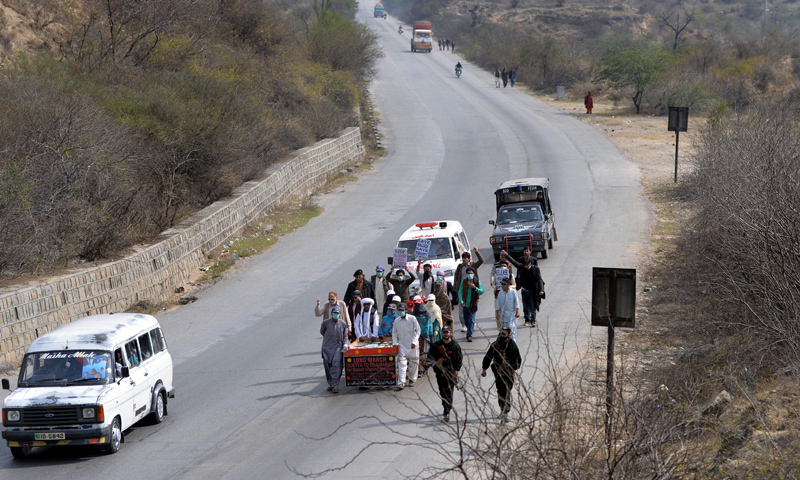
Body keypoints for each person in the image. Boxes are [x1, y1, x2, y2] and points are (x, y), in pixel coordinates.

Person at [481, 326, 522, 422]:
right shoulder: (495, 345)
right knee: (501, 391)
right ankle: (504, 411)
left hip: (509, 372)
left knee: (507, 390)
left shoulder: (512, 345)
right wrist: (484, 369)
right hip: (498, 372)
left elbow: (518, 358)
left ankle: (504, 411)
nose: (502, 334)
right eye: (501, 333)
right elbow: (488, 357)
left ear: (508, 335)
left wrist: (514, 367)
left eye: (504, 333)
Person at [427, 326, 463, 423]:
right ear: (442, 333)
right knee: (443, 392)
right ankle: (446, 408)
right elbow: (429, 358)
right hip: (440, 372)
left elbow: (459, 359)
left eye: (447, 332)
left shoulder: (455, 345)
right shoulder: (436, 345)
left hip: (451, 373)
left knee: (449, 392)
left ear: (450, 333)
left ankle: (447, 409)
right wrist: (437, 361)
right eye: (444, 332)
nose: (446, 334)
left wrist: (456, 370)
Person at [453, 248, 484, 333]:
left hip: (472, 290)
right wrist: (456, 288)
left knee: (472, 307)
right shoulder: (460, 267)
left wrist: (477, 252)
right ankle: (464, 325)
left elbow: (481, 260)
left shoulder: (473, 265)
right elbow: (456, 278)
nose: (464, 261)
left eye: (465, 259)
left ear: (469, 259)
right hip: (462, 290)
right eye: (463, 259)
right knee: (461, 309)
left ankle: (471, 322)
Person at [321, 306, 350, 393]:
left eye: (337, 313)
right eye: (334, 313)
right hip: (327, 347)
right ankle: (331, 384)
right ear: (331, 314)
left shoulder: (343, 324)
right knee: (328, 367)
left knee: (336, 365)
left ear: (339, 314)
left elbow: (345, 336)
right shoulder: (325, 323)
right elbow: (322, 332)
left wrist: (345, 344)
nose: (335, 315)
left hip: (338, 347)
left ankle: (335, 385)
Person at [392, 303, 420, 389]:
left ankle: (412, 379)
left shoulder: (412, 319)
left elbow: (418, 331)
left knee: (413, 364)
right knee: (402, 364)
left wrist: (414, 342)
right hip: (402, 345)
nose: (400, 312)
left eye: (402, 310)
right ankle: (401, 382)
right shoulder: (396, 321)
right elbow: (394, 332)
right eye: (399, 310)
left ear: (406, 310)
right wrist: (394, 343)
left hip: (412, 345)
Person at [516, 256, 545, 327]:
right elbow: (514, 263)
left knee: (533, 306)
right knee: (525, 306)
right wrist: (506, 255)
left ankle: (533, 320)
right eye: (524, 265)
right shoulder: (522, 268)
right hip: (524, 290)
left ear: (530, 264)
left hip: (533, 291)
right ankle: (527, 320)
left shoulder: (535, 269)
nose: (525, 267)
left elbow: (540, 280)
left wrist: (541, 290)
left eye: (527, 265)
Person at [458, 266, 484, 342]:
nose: (470, 275)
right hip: (466, 304)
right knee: (466, 320)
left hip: (473, 304)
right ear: (466, 274)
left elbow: (481, 291)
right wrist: (461, 301)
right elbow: (460, 292)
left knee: (472, 320)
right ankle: (469, 329)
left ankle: (469, 335)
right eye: (468, 273)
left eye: (471, 273)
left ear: (474, 274)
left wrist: (475, 288)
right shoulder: (464, 282)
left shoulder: (477, 282)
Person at [413, 297, 433, 375]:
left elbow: (430, 327)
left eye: (418, 304)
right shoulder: (413, 315)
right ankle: (419, 370)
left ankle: (426, 368)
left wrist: (430, 337)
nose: (417, 306)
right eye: (416, 304)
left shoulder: (427, 315)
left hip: (425, 337)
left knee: (424, 354)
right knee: (417, 354)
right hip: (416, 337)